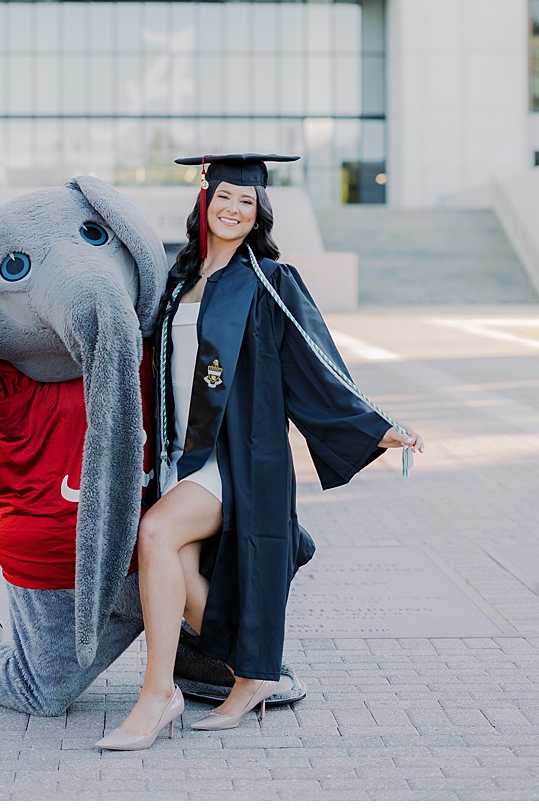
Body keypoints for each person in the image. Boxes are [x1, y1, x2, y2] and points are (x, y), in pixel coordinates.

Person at [100, 153, 424, 751]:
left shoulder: (270, 282)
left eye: (246, 201)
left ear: (259, 213)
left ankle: (157, 695)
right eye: (224, 196)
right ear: (204, 201)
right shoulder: (178, 283)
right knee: (176, 567)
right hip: (178, 457)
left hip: (234, 458)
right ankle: (251, 676)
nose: (233, 209)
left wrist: (377, 427)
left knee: (154, 536)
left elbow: (315, 366)